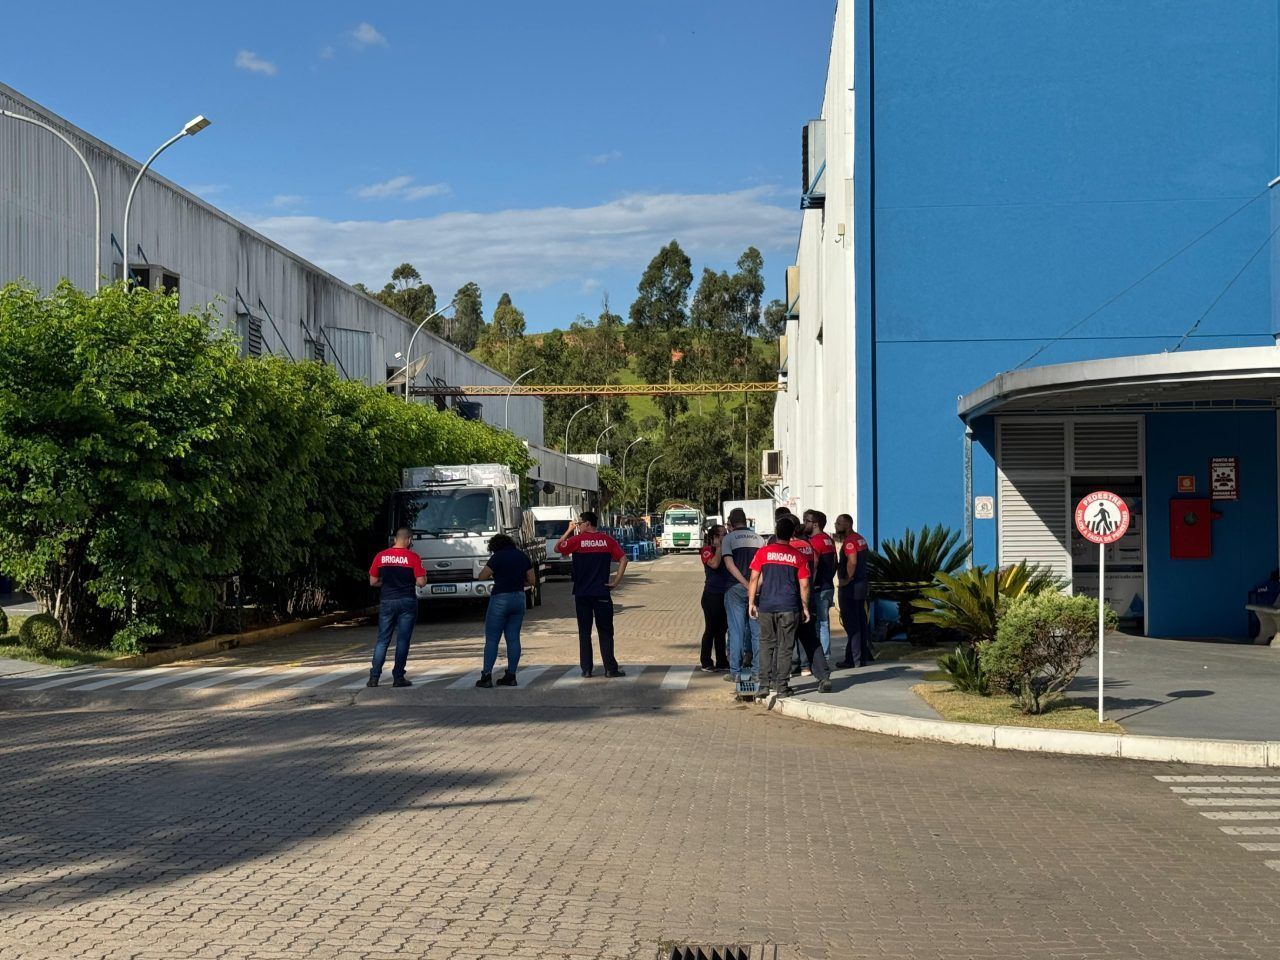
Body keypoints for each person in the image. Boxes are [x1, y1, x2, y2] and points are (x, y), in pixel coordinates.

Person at [555, 510, 628, 678]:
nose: (578, 526)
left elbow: (558, 547)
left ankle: (586, 669)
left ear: (587, 523)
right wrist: (616, 582)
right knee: (606, 632)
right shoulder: (607, 541)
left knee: (584, 632)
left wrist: (568, 531)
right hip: (602, 592)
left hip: (582, 594)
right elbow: (623, 559)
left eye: (579, 523)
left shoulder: (577, 541)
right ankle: (610, 668)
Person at [748, 515, 811, 700]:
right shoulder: (797, 556)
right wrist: (805, 607)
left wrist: (751, 602)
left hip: (767, 606)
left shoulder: (763, 552)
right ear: (792, 535)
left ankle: (764, 685)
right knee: (785, 647)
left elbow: (754, 578)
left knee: (766, 644)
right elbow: (805, 584)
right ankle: (782, 686)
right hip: (789, 607)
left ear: (776, 532)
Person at [367, 526, 428, 688]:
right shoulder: (413, 557)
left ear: (395, 539)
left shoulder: (381, 556)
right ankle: (398, 677)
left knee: (382, 640)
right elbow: (421, 582)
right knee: (402, 640)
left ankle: (374, 678)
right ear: (409, 540)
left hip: (387, 601)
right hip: (407, 601)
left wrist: (385, 583)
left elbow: (373, 581)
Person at [476, 533, 535, 688]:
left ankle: (487, 676)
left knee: (492, 639)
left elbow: (482, 577)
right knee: (513, 638)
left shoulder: (497, 557)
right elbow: (532, 580)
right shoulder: (522, 556)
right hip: (519, 598)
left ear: (494, 546)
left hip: (500, 598)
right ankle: (511, 676)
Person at [721, 507, 764, 682]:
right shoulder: (759, 539)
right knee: (756, 631)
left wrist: (745, 584)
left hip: (735, 588)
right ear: (746, 520)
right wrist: (756, 586)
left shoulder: (728, 539)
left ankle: (736, 672)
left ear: (731, 521)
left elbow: (730, 565)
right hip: (757, 589)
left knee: (736, 630)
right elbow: (763, 567)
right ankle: (757, 671)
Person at [834, 513, 874, 668]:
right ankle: (861, 657)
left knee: (852, 624)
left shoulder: (850, 542)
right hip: (861, 585)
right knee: (861, 622)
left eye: (839, 523)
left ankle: (854, 660)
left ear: (848, 525)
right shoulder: (860, 538)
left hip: (851, 588)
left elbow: (852, 561)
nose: (836, 526)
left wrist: (846, 579)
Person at [805, 510, 838, 661]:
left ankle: (822, 656)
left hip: (819, 588)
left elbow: (815, 564)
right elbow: (835, 562)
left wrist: (810, 585)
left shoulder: (815, 541)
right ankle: (824, 655)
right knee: (824, 623)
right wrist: (829, 578)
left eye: (807, 521)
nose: (804, 524)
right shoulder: (828, 540)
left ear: (815, 524)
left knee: (820, 623)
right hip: (828, 586)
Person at [698, 525, 730, 672]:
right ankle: (705, 661)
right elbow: (715, 564)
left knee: (722, 630)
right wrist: (718, 548)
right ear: (715, 537)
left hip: (725, 594)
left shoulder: (727, 549)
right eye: (723, 534)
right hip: (712, 595)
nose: (725, 536)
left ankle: (722, 660)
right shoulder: (707, 550)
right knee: (711, 629)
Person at [788, 522, 817, 676]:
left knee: (791, 631)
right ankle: (806, 666)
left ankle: (793, 665)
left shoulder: (790, 547)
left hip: (793, 593)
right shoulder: (808, 544)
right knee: (805, 631)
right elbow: (815, 564)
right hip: (808, 591)